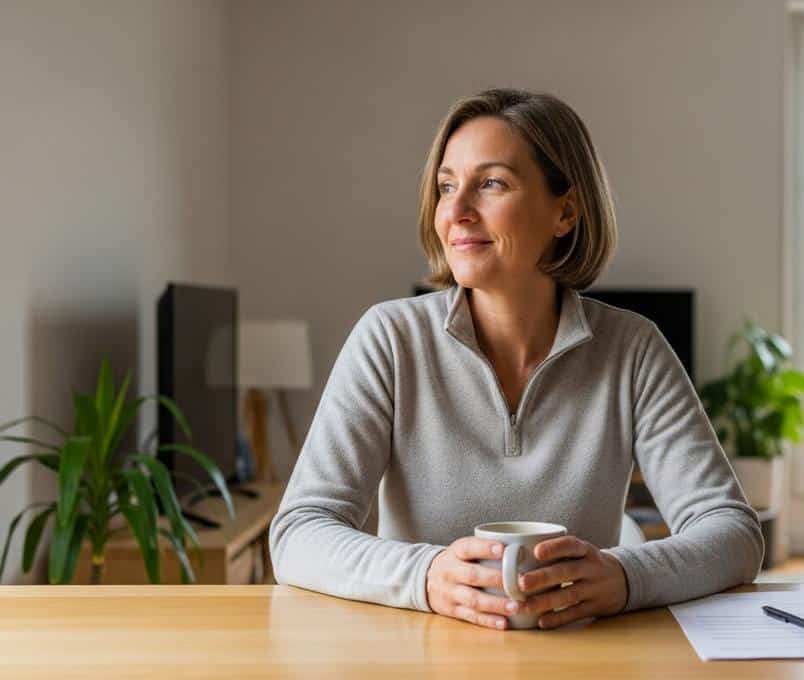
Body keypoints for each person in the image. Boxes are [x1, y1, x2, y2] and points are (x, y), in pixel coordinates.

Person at [269, 88, 764, 630]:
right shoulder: (389, 339)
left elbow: (733, 533)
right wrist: (427, 575)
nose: (455, 212)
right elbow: (298, 532)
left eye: (491, 184)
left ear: (566, 211)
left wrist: (624, 577)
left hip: (580, 659)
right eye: (446, 186)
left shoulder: (633, 349)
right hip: (422, 658)